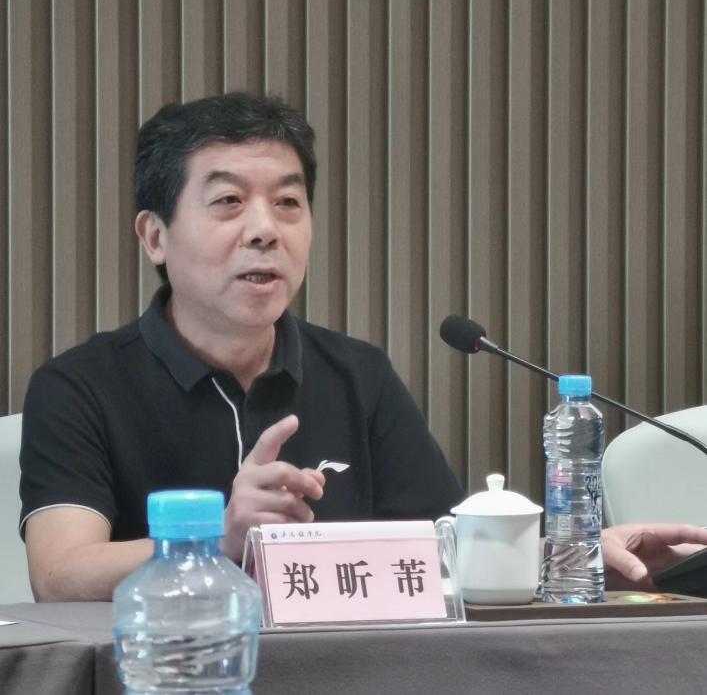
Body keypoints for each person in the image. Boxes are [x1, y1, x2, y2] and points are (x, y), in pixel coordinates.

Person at [18, 91, 707, 602]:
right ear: (155, 237)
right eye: (228, 202)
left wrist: (572, 556)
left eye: (288, 203)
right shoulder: (79, 386)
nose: (264, 230)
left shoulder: (356, 372)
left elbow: (441, 554)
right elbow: (59, 573)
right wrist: (219, 540)